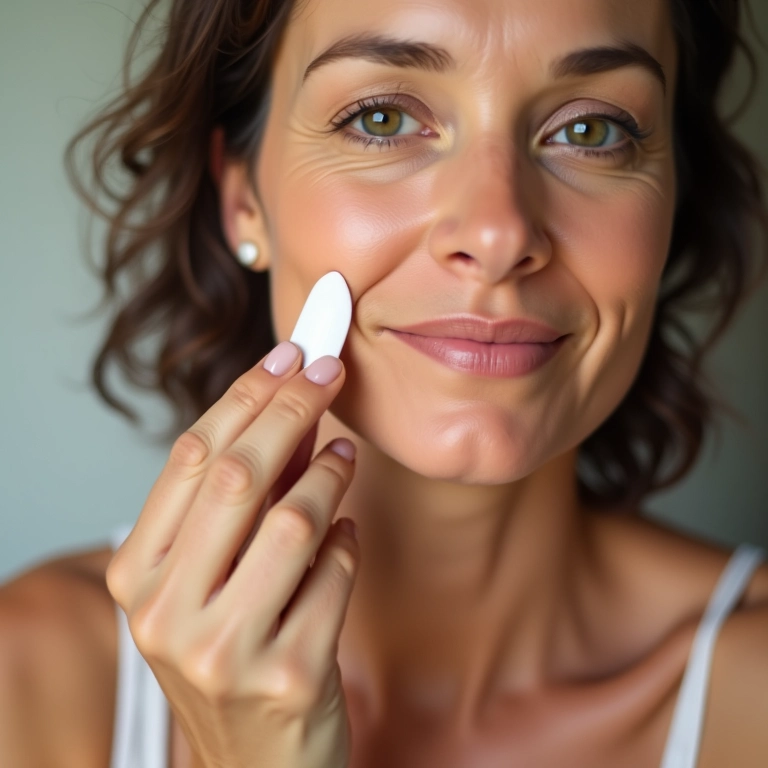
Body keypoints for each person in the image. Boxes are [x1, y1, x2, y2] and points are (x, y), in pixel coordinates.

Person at [2, 0, 768, 765]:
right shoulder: (29, 679)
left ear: (673, 202)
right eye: (381, 120)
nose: (498, 234)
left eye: (590, 130)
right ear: (243, 199)